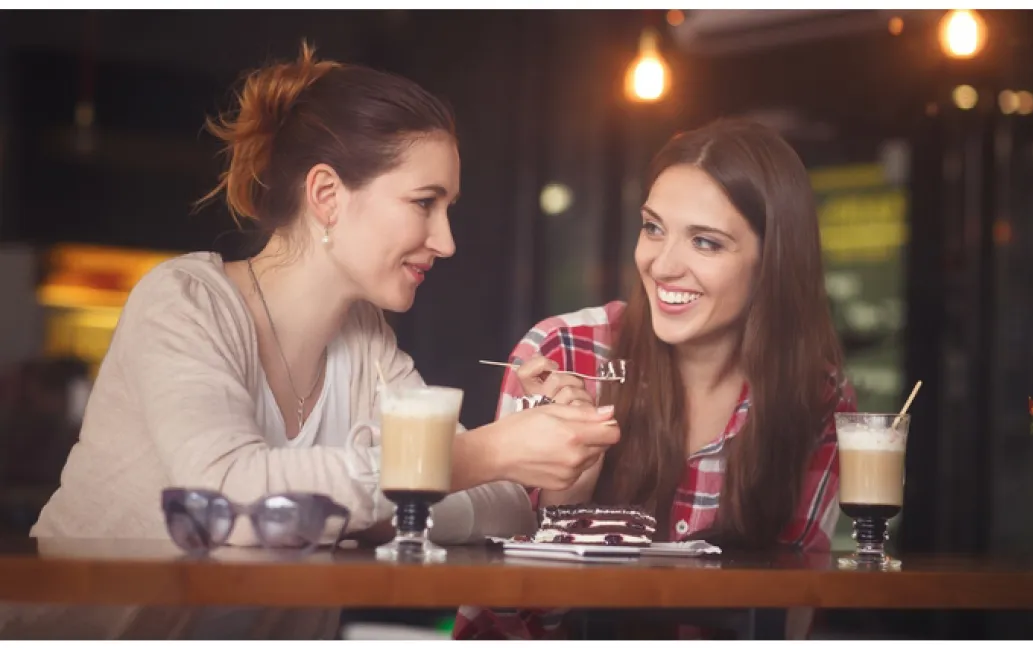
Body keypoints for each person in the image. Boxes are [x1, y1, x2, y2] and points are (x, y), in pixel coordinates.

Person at [3, 43, 618, 640]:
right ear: (327, 195)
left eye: (448, 208)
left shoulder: (368, 347)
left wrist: (399, 496)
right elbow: (230, 495)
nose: (447, 240)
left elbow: (503, 508)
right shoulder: (185, 301)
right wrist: (446, 472)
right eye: (425, 203)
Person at [453, 116, 858, 640]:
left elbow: (791, 611)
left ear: (772, 262)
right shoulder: (564, 353)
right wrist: (567, 500)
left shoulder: (820, 400)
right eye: (653, 227)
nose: (662, 265)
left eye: (706, 243)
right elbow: (502, 612)